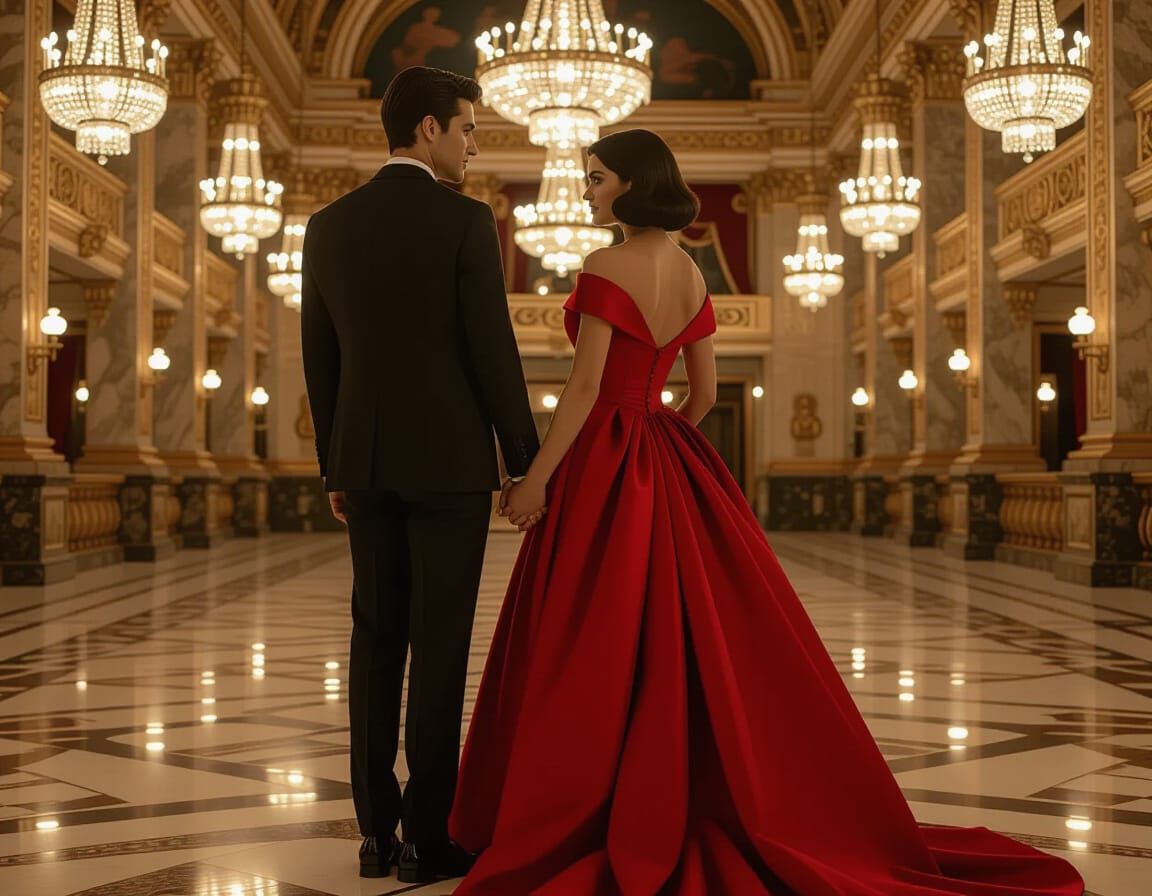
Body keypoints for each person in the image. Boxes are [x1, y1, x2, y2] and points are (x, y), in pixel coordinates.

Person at [447, 128, 1086, 895]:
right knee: (683, 628)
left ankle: (579, 798)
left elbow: (583, 392)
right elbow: (707, 396)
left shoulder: (604, 264)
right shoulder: (689, 272)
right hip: (666, 454)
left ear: (632, 184)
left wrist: (536, 481)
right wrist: (656, 438)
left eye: (597, 177)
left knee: (591, 627)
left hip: (602, 463)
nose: (586, 190)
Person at [300, 66, 540, 884]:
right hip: (451, 467)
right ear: (430, 130)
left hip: (363, 462)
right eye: (468, 127)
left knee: (374, 640)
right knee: (438, 649)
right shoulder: (467, 223)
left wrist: (336, 463)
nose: (474, 143)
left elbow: (319, 358)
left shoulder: (326, 226)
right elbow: (492, 352)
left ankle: (373, 831)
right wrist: (529, 463)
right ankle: (427, 840)